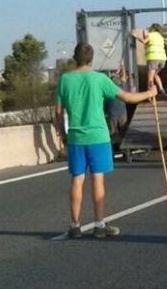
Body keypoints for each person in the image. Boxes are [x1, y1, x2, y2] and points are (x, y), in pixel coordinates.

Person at [54, 43, 158, 239]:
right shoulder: (100, 79)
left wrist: (63, 134)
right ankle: (99, 225)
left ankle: (75, 225)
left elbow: (58, 113)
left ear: (75, 59)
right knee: (97, 178)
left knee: (77, 180)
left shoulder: (64, 80)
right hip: (98, 136)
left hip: (76, 136)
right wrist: (149, 94)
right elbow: (126, 97)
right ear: (91, 59)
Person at [131, 23, 167, 93]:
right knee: (155, 74)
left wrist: (136, 36)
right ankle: (161, 89)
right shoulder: (160, 37)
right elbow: (151, 44)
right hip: (162, 59)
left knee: (150, 77)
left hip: (153, 57)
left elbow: (144, 42)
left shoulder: (151, 35)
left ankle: (150, 94)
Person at [106, 61, 129, 150]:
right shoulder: (120, 83)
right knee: (123, 132)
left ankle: (112, 150)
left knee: (112, 133)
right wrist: (122, 66)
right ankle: (125, 150)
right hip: (122, 112)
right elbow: (123, 76)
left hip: (112, 113)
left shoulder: (108, 83)